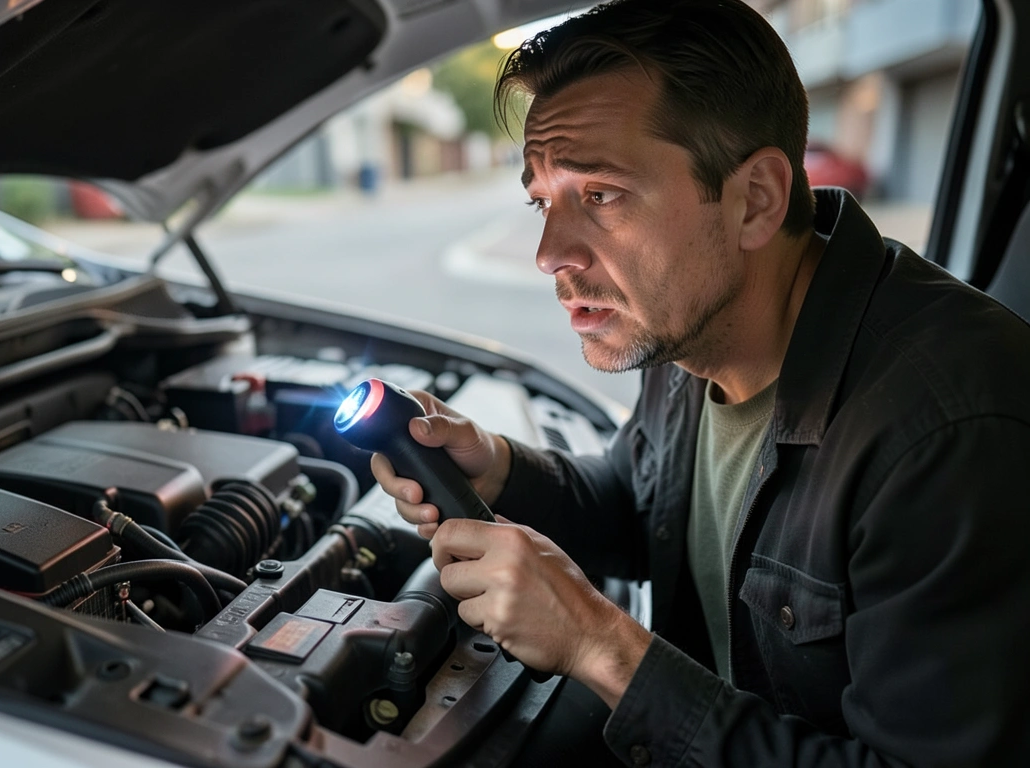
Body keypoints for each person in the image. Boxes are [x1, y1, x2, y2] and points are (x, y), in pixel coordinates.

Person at [370, 0, 1030, 764]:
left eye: (600, 196)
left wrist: (600, 645)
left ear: (755, 199)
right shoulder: (694, 327)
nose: (550, 253)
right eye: (542, 202)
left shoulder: (950, 430)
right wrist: (499, 465)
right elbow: (640, 504)